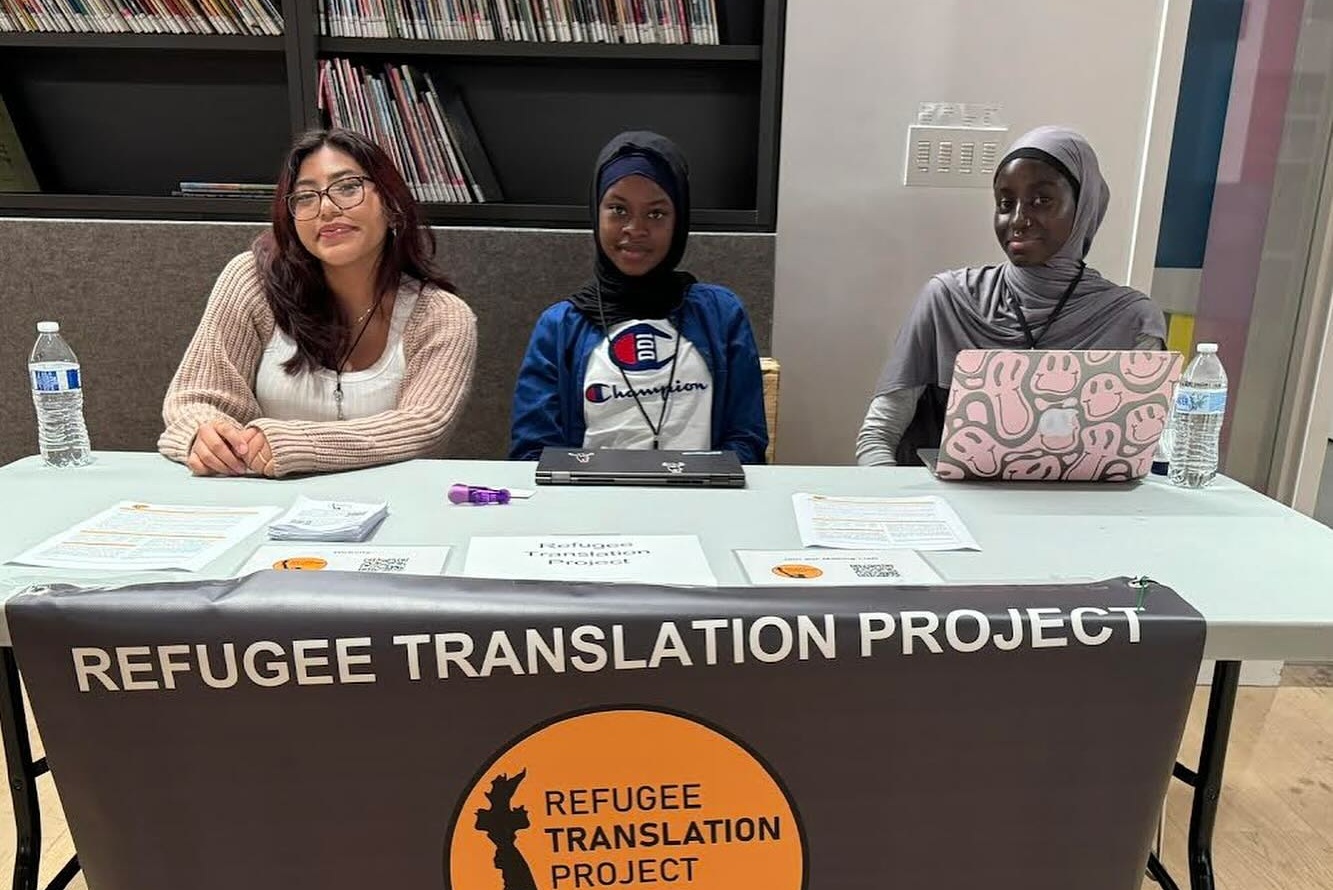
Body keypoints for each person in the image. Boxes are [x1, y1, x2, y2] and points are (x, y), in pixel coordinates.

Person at [159, 128, 477, 477]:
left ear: (391, 204)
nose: (326, 208)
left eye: (347, 187)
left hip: (398, 510)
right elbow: (196, 398)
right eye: (306, 197)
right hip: (263, 507)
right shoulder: (252, 281)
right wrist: (205, 435)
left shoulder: (442, 316)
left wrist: (298, 445)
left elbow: (423, 427)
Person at [856, 126, 1166, 467]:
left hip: (1082, 516)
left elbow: (1148, 455)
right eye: (1006, 203)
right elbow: (879, 435)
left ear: (1083, 207)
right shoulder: (950, 300)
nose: (1018, 220)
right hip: (952, 508)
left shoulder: (1131, 319)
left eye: (1041, 201)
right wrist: (898, 508)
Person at [508, 130, 768, 463]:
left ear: (680, 220)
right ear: (596, 212)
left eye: (656, 213)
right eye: (618, 209)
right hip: (588, 510)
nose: (635, 228)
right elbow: (533, 454)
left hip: (703, 506)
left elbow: (747, 441)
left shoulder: (721, 314)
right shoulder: (560, 327)